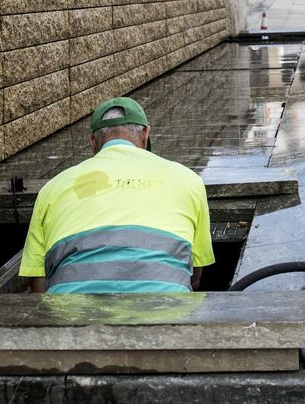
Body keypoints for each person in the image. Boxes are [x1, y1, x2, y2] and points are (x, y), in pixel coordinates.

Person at [21, 97, 214, 293]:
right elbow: (196, 274)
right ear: (145, 133)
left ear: (92, 142)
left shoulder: (52, 188)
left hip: (73, 315)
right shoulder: (189, 180)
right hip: (165, 309)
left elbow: (38, 284)